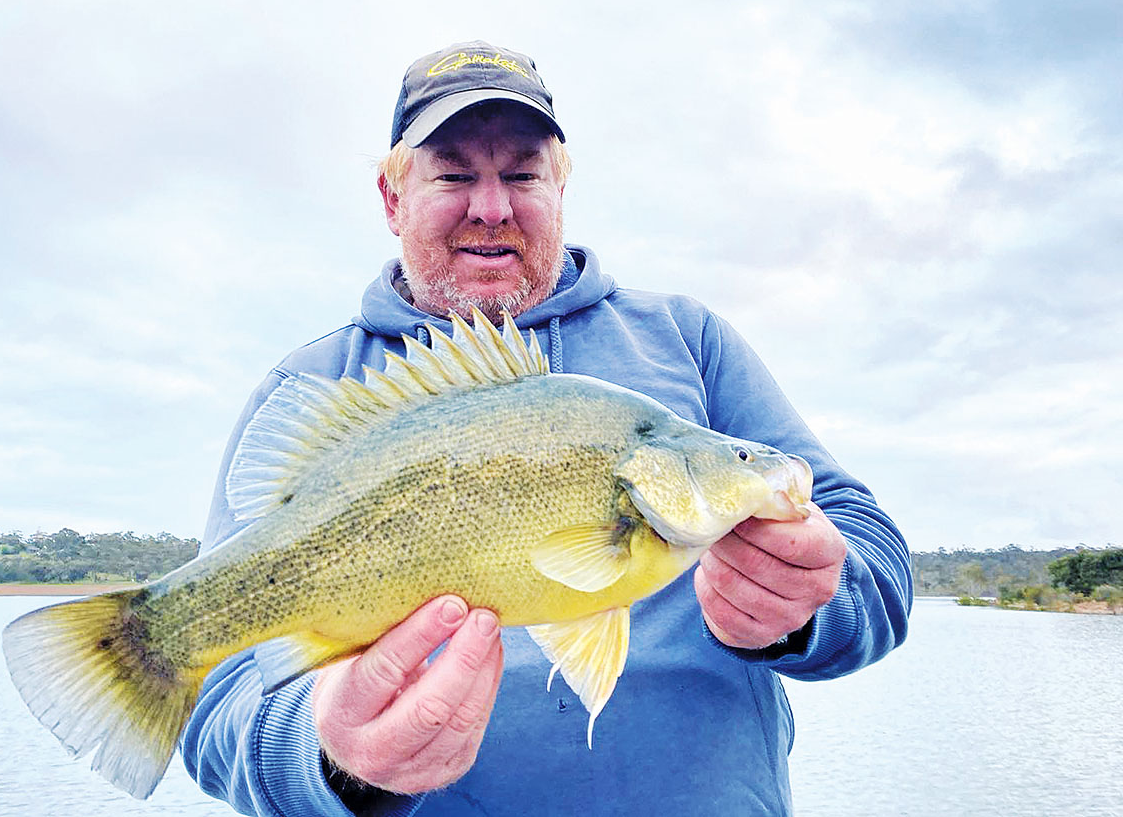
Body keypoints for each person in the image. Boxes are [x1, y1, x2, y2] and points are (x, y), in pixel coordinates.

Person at [181, 40, 912, 816]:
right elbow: (217, 703)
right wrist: (332, 758)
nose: (490, 205)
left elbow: (876, 562)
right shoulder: (312, 388)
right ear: (393, 199)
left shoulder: (689, 341)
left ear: (561, 189)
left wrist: (808, 607)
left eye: (522, 173)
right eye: (454, 174)